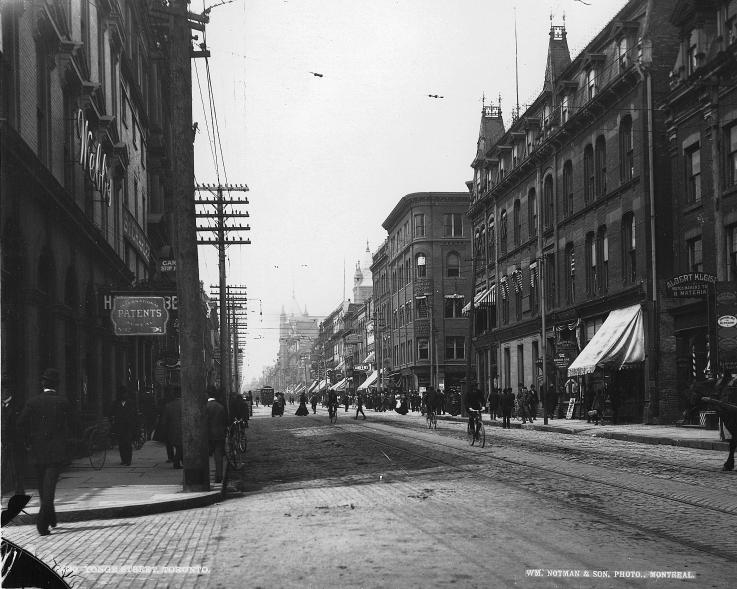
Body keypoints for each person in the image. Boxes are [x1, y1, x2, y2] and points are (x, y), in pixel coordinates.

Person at [17, 368, 76, 536]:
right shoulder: (63, 402)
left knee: (43, 488)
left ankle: (50, 517)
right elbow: (75, 424)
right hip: (56, 452)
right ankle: (42, 525)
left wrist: (28, 441)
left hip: (37, 451)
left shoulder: (32, 402)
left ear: (42, 384)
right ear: (57, 385)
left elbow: (21, 424)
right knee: (49, 489)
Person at [2, 375, 26, 496]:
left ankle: (19, 492)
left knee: (17, 468)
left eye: (5, 388)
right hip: (5, 441)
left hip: (14, 441)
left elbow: (20, 424)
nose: (4, 391)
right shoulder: (4, 405)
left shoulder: (17, 405)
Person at [110, 385, 137, 466]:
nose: (124, 395)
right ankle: (123, 459)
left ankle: (128, 460)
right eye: (123, 393)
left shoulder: (131, 403)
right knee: (121, 444)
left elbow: (134, 414)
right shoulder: (116, 403)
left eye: (125, 393)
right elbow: (111, 413)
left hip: (128, 426)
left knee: (128, 443)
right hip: (119, 425)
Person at [206, 389, 227, 483]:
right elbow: (226, 421)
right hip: (219, 435)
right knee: (218, 456)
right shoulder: (220, 407)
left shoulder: (204, 406)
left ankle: (205, 476)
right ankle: (219, 476)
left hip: (207, 435)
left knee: (205, 456)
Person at [161, 387, 183, 469]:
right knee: (180, 448)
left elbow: (164, 421)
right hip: (183, 430)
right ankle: (176, 463)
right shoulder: (185, 404)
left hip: (172, 431)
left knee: (178, 447)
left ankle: (178, 461)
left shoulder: (168, 406)